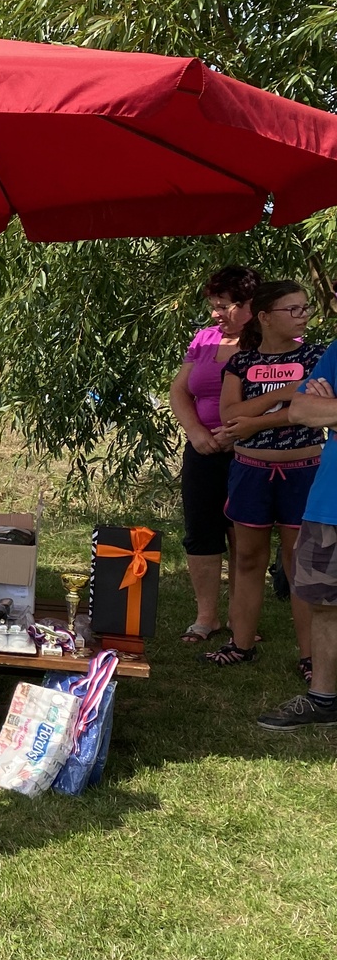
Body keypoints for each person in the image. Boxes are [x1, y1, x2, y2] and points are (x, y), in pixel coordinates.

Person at [207, 280, 326, 679]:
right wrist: (286, 392)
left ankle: (310, 657)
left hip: (303, 471)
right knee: (247, 558)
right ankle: (240, 644)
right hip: (250, 471)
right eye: (293, 309)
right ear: (264, 317)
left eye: (305, 308)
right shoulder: (241, 362)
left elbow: (311, 410)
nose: (302, 316)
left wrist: (255, 421)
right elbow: (229, 415)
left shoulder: (316, 356)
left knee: (299, 564)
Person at [168, 266, 260, 643]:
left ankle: (242, 618)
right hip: (202, 450)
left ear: (250, 305)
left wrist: (237, 433)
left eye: (223, 306)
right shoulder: (204, 339)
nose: (215, 313)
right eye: (214, 305)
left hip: (252, 451)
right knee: (201, 531)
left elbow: (282, 397)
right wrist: (196, 432)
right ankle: (206, 617)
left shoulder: (271, 340)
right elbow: (179, 390)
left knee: (244, 536)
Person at [271, 372, 337, 729]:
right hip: (329, 502)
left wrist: (330, 410)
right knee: (324, 604)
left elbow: (317, 413)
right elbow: (299, 411)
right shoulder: (336, 352)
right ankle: (323, 699)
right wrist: (318, 410)